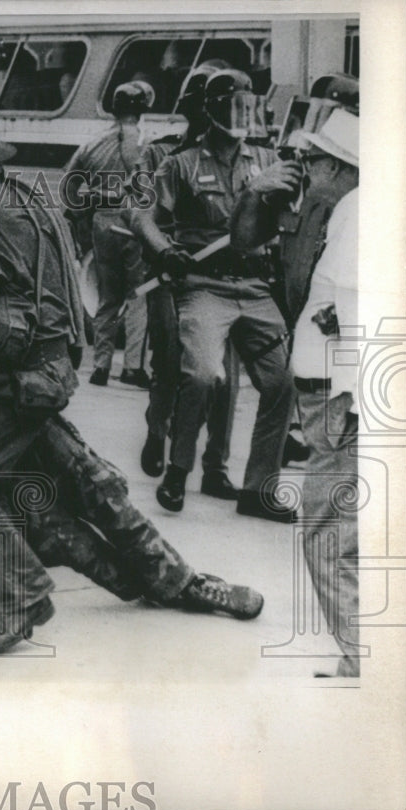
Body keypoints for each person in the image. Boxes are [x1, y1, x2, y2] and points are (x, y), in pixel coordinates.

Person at [0, 98, 265, 653]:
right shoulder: (15, 196)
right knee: (81, 488)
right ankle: (160, 582)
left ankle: (22, 596)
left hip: (18, 379)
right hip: (42, 370)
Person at [134, 70, 296, 521]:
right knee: (205, 376)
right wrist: (165, 250)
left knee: (284, 382)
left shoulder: (268, 160)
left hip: (256, 286)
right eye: (232, 106)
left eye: (248, 105)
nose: (241, 116)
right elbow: (142, 216)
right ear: (210, 110)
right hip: (204, 286)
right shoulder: (179, 163)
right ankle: (179, 469)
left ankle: (259, 490)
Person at [233, 106, 361, 677]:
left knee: (326, 538)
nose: (302, 168)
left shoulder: (358, 217)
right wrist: (258, 195)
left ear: (338, 166)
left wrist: (357, 399)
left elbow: (360, 306)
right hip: (334, 392)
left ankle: (364, 662)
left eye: (312, 161)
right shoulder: (325, 208)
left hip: (340, 396)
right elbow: (244, 241)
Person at [129, 64, 240, 504]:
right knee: (171, 365)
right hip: (167, 274)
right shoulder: (161, 154)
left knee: (223, 375)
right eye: (201, 107)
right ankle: (159, 430)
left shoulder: (239, 153)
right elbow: (138, 211)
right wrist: (164, 248)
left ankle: (216, 464)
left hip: (218, 277)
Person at [64, 81, 155, 389]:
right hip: (134, 222)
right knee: (138, 295)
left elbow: (69, 185)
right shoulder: (146, 142)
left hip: (102, 221)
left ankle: (100, 366)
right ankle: (132, 367)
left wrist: (81, 214)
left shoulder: (92, 143)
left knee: (107, 297)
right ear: (142, 109)